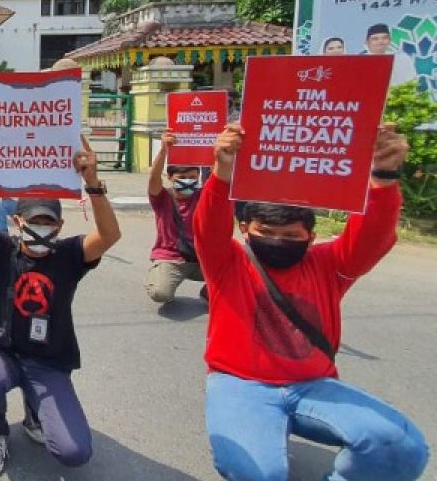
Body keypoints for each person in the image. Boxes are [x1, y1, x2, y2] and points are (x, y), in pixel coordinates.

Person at [196, 122, 429, 481]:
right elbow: (208, 225)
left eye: (291, 235)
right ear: (244, 230)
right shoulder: (227, 262)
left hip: (313, 386)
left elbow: (372, 236)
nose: (278, 241)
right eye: (266, 233)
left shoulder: (329, 266)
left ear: (311, 237)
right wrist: (222, 171)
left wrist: (383, 176)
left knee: (403, 446)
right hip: (240, 384)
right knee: (260, 473)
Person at [0, 133, 121, 477]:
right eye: (34, 221)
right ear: (17, 222)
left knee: (74, 452)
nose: (41, 229)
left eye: (48, 223)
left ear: (60, 226)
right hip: (2, 350)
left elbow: (109, 235)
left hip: (48, 361)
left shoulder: (68, 255)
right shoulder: (4, 250)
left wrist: (93, 183)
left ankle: (36, 411)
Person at [145, 131, 205, 304]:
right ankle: (157, 274)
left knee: (238, 272)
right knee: (160, 294)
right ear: (170, 178)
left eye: (192, 177)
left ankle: (209, 291)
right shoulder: (162, 198)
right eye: (182, 178)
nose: (188, 181)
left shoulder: (203, 197)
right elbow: (153, 178)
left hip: (201, 259)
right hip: (171, 258)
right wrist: (164, 150)